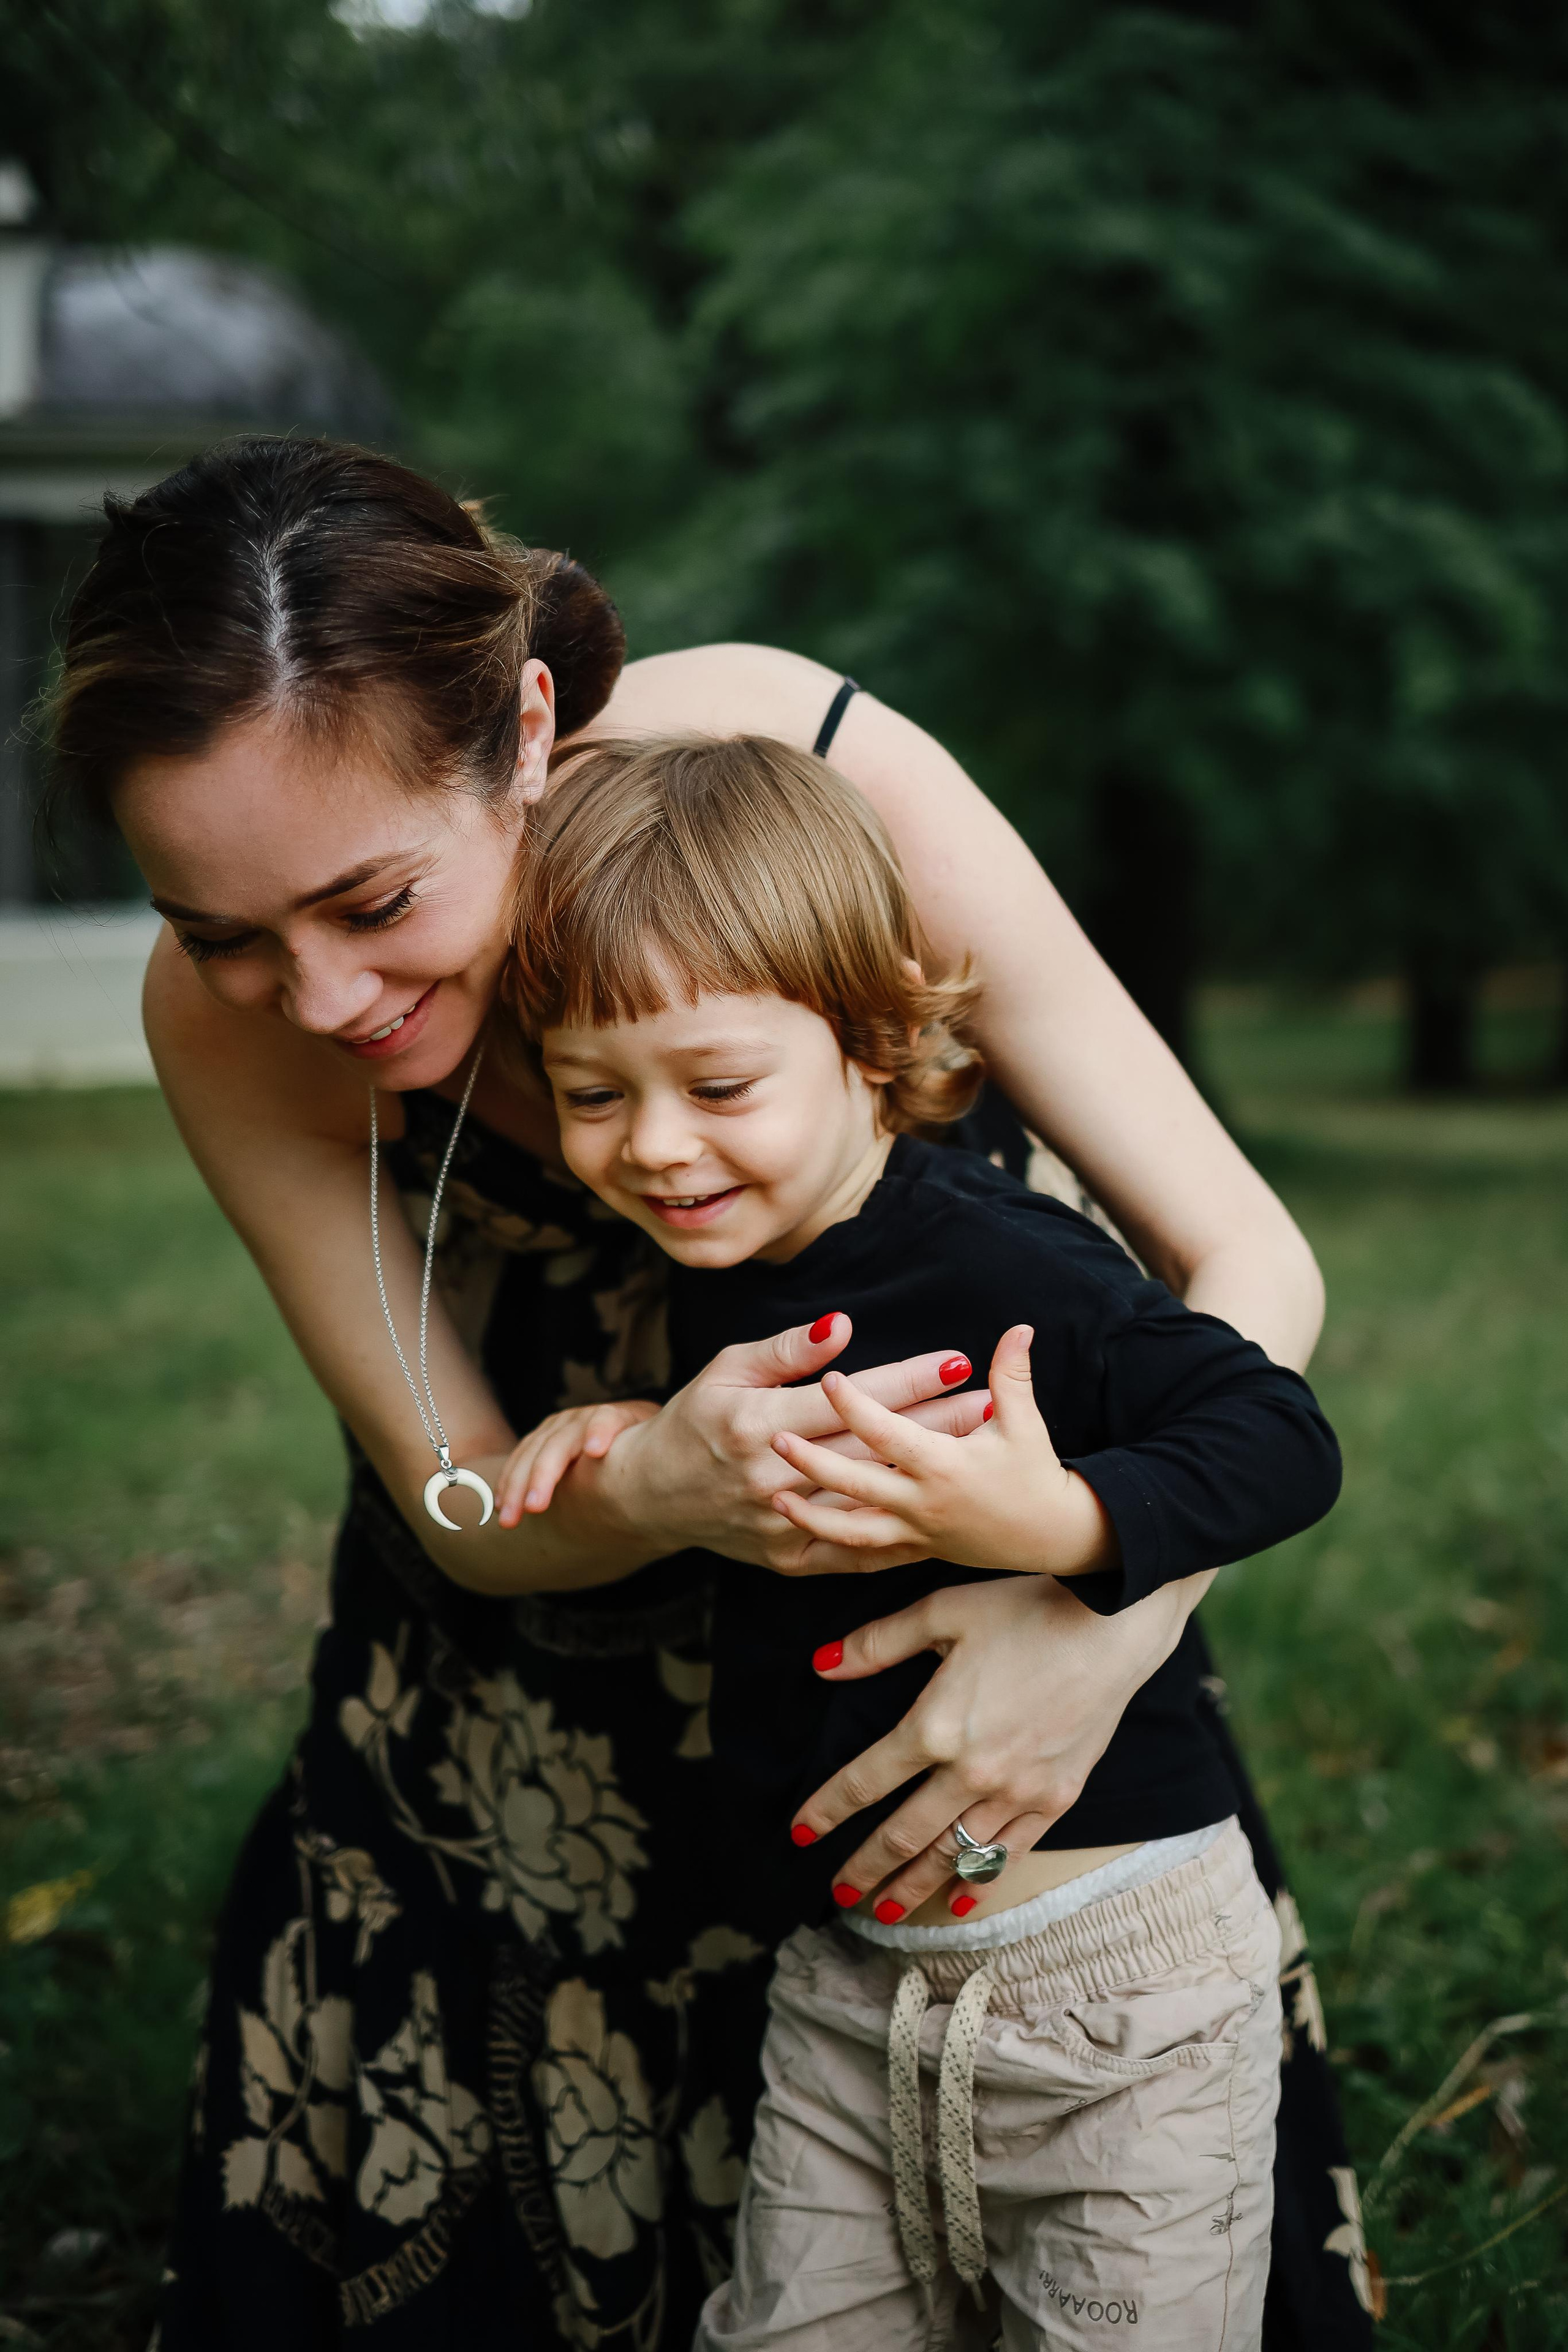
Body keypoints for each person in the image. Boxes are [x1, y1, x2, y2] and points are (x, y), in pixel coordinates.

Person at [45, 434, 1371, 2350]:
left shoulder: (790, 775)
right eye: (221, 932)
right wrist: (657, 1486)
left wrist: (1088, 1625)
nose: (321, 1001)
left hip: (972, 1507)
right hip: (562, 1571)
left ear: (520, 730)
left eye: (373, 902)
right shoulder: (240, 1033)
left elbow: (1248, 1269)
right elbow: (454, 1489)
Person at [499, 733, 1342, 2348]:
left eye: (719, 1086)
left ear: (872, 1045)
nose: (658, 1147)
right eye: (593, 1094)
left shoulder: (1009, 1266)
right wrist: (620, 1439)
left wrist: (1056, 1521)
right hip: (845, 1994)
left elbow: (1279, 1439)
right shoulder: (728, 1251)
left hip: (1118, 1990)